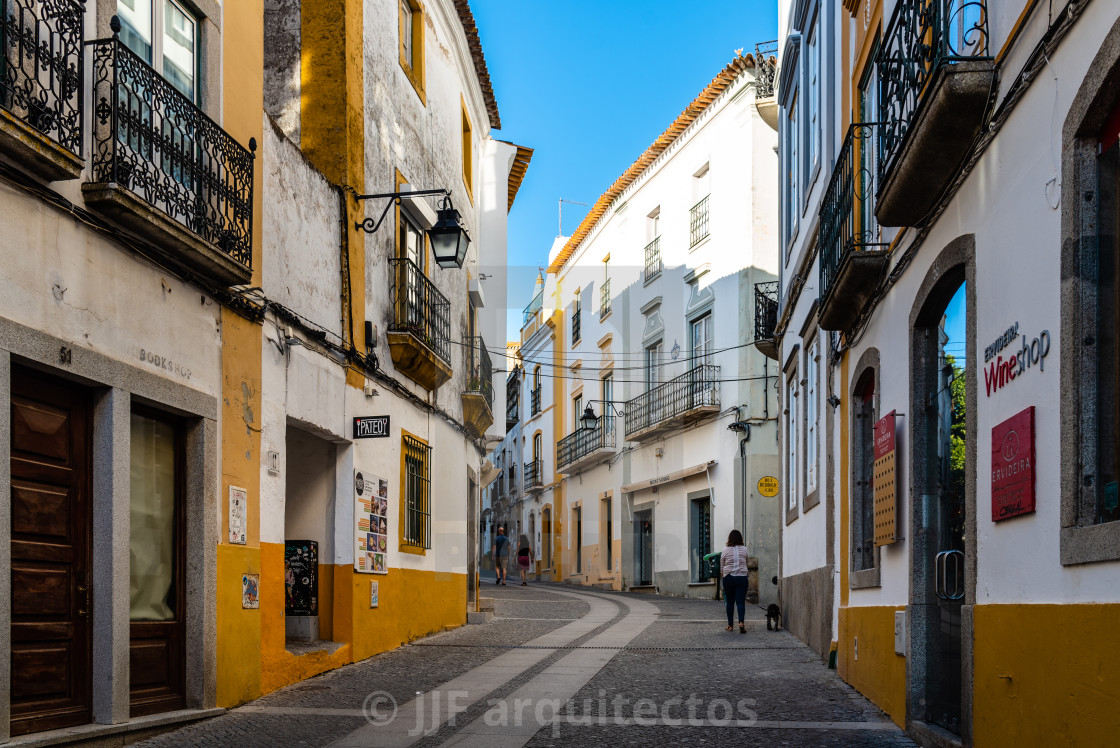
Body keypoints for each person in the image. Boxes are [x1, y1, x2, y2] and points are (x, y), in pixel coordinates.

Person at [721, 529, 750, 634]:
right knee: (740, 602)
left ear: (730, 539)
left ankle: (730, 625)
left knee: (730, 602)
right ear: (740, 539)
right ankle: (741, 623)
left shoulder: (726, 550)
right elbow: (747, 561)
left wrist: (723, 574)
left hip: (729, 578)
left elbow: (722, 564)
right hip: (742, 577)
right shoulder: (744, 549)